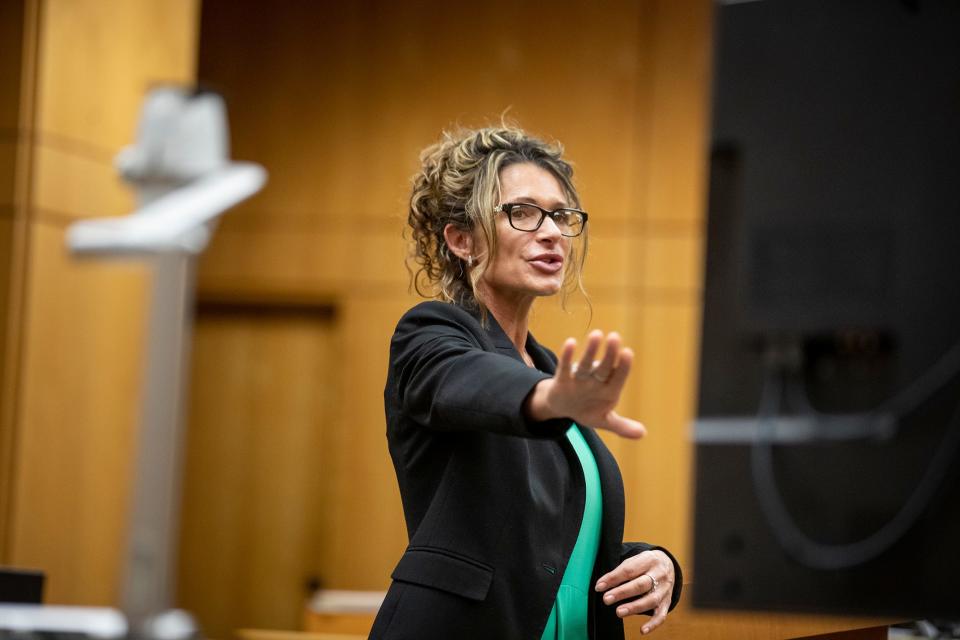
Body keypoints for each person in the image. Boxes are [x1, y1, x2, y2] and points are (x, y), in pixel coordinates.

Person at [370, 125, 682, 640]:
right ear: (461, 239)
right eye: (522, 212)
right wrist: (547, 398)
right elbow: (465, 381)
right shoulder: (430, 334)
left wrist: (654, 562)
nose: (553, 231)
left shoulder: (549, 372)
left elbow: (548, 552)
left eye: (560, 215)